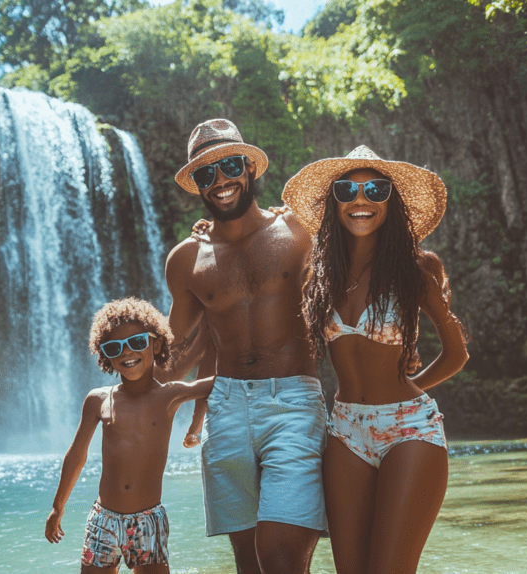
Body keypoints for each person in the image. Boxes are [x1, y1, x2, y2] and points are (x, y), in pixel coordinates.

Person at [282, 145, 470, 574]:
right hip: (345, 429)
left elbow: (457, 353)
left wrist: (412, 390)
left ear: (392, 201)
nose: (360, 199)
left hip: (409, 429)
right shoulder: (319, 273)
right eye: (348, 190)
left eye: (376, 190)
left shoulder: (417, 268)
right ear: (335, 202)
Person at [161, 119, 326, 574]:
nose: (219, 182)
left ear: (250, 168)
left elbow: (356, 273)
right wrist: (127, 357)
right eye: (205, 174)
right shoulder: (186, 260)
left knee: (281, 555)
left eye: (229, 165)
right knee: (248, 560)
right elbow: (174, 350)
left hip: (293, 401)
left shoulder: (299, 230)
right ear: (196, 185)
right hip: (227, 408)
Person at [45, 297, 216, 573]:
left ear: (156, 344)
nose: (126, 353)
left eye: (137, 343)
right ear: (106, 356)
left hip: (149, 520)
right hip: (103, 519)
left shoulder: (169, 394)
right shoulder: (97, 400)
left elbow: (216, 384)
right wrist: (57, 507)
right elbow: (77, 454)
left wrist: (220, 320)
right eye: (114, 347)